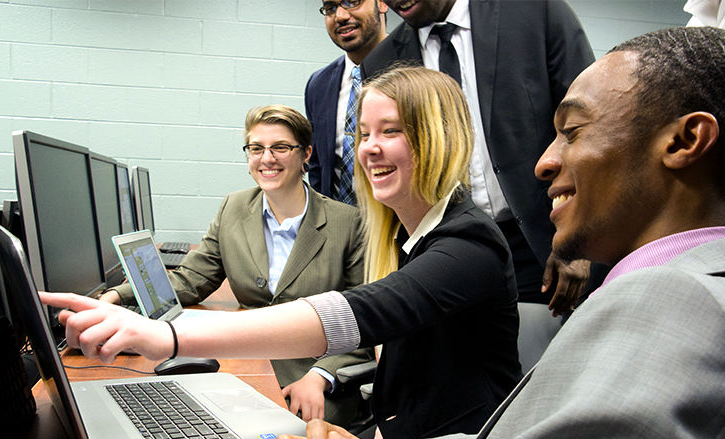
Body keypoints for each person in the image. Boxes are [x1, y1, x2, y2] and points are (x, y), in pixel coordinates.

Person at [284, 25, 725, 439]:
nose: (543, 163)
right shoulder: (660, 287)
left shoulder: (673, 298)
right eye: (363, 135)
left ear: (684, 140)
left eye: (572, 132)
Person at [42, 67, 522, 438]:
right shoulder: (405, 236)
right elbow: (416, 377)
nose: (370, 149)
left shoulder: (468, 244)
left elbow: (357, 314)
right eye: (364, 134)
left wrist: (168, 337)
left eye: (390, 131)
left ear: (438, 136)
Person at [98, 105, 374, 427]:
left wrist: (321, 376)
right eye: (256, 148)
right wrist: (115, 297)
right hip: (246, 359)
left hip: (312, 375)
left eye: (280, 147)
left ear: (306, 154)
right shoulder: (234, 208)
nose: (266, 158)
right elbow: (190, 280)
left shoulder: (348, 223)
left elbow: (365, 317)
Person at [361, 0, 597, 313]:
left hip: (544, 240)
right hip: (448, 250)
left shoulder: (536, 13)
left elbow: (589, 128)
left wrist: (580, 238)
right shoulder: (383, 59)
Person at [306, 0, 388, 205]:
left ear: (382, 3)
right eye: (330, 8)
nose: (340, 16)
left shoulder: (417, 72)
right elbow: (318, 167)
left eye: (352, 1)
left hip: (401, 227)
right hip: (338, 227)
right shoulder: (318, 85)